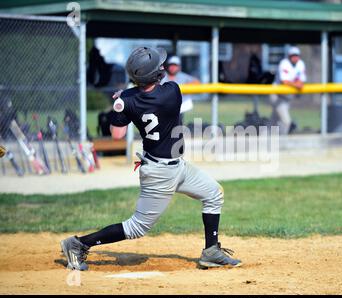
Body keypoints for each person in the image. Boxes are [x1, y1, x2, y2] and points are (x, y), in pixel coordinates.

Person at [60, 47, 241, 270]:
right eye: (159, 66)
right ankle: (78, 244)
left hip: (178, 167)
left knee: (214, 193)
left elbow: (117, 134)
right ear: (153, 74)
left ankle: (211, 251)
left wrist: (121, 104)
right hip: (160, 173)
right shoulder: (172, 92)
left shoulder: (127, 99)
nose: (162, 68)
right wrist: (125, 99)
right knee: (136, 227)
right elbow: (157, 89)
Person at [271, 46, 307, 135]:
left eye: (296, 55)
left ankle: (264, 138)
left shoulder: (301, 64)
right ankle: (282, 142)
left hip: (286, 96)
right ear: (289, 56)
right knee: (286, 121)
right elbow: (285, 81)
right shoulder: (284, 63)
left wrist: (298, 84)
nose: (295, 57)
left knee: (274, 120)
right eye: (293, 55)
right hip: (276, 95)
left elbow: (301, 81)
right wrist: (296, 84)